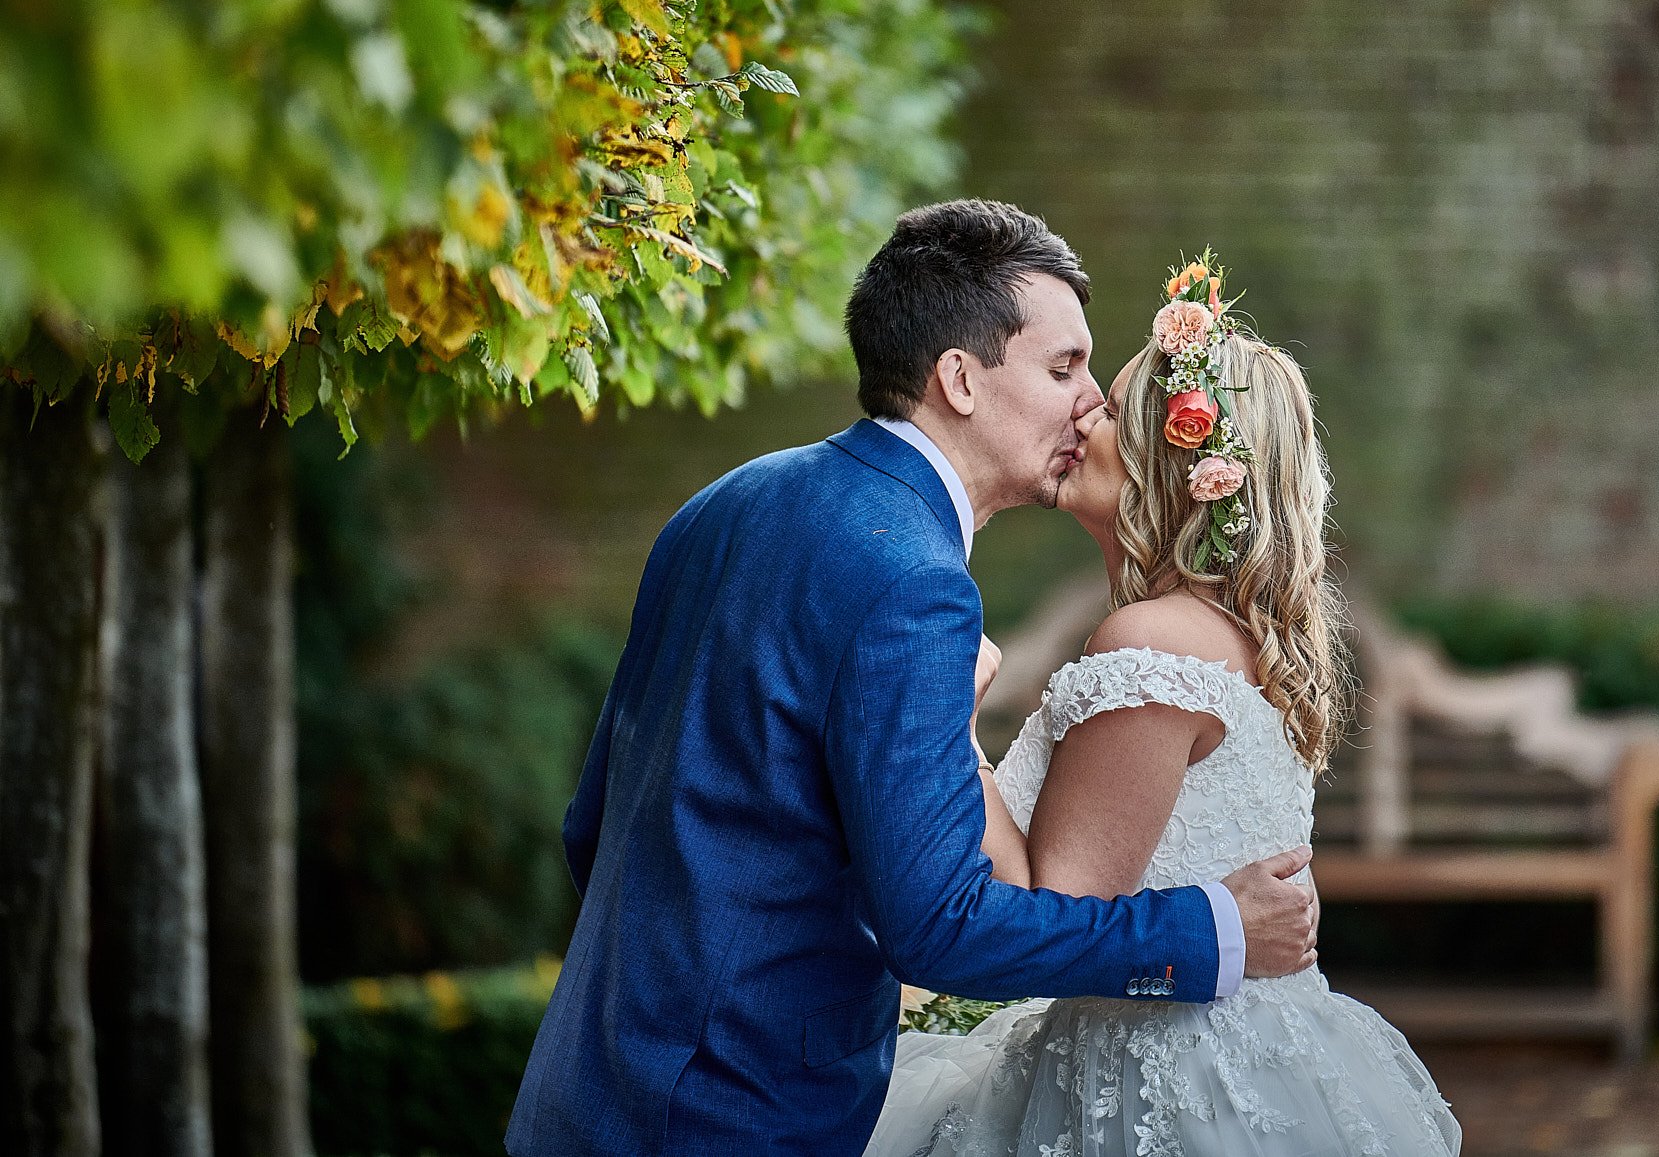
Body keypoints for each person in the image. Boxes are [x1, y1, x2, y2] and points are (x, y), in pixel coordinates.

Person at [505, 202, 1320, 1157]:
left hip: (584, 1087)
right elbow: (942, 928)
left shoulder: (724, 500)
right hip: (736, 1110)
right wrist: (1212, 928)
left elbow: (595, 819)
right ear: (961, 379)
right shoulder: (916, 584)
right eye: (1062, 368)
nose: (1088, 402)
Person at [864, 253, 1463, 1156]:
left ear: (1171, 467)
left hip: (1160, 1081)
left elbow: (1047, 904)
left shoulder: (1156, 642)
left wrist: (945, 713)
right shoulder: (1235, 639)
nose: (1077, 417)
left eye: (1103, 409)